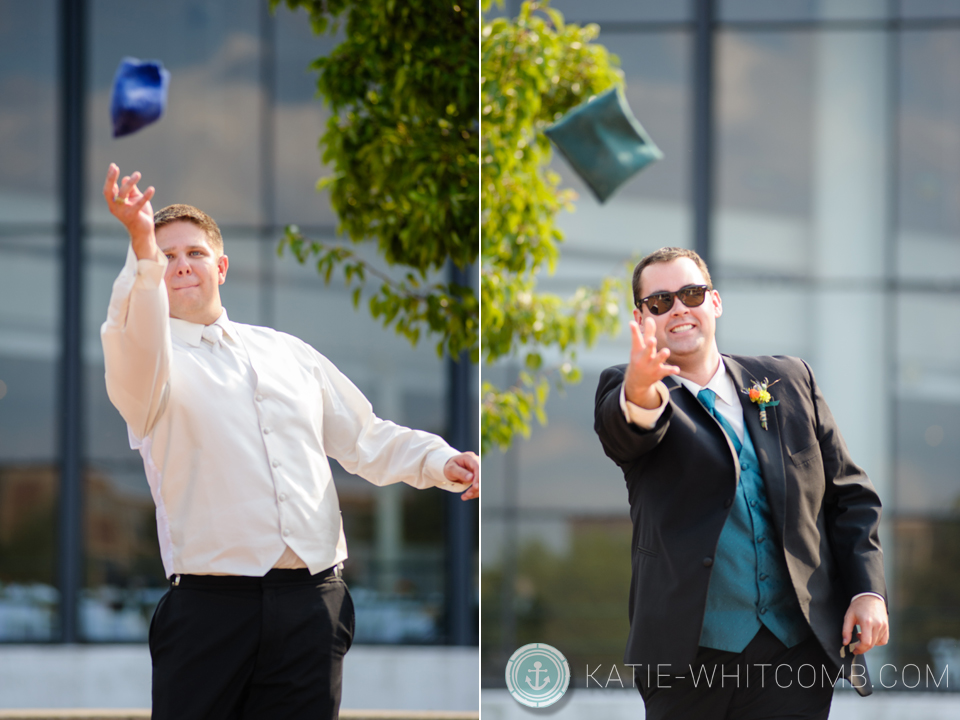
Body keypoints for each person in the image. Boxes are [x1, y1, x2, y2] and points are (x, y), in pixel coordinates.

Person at [100, 164, 479, 720]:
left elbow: (366, 437)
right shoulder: (148, 367)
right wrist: (139, 246)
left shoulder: (287, 352)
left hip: (312, 605)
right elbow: (132, 330)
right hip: (210, 611)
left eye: (194, 254)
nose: (180, 265)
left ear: (221, 267)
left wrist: (441, 460)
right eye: (166, 257)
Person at [593, 247, 888, 720]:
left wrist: (866, 591)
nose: (679, 308)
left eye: (691, 293)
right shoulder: (630, 390)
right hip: (688, 661)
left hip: (797, 651)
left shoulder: (789, 381)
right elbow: (628, 429)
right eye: (660, 301)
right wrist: (640, 386)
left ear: (715, 302)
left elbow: (849, 496)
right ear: (640, 316)